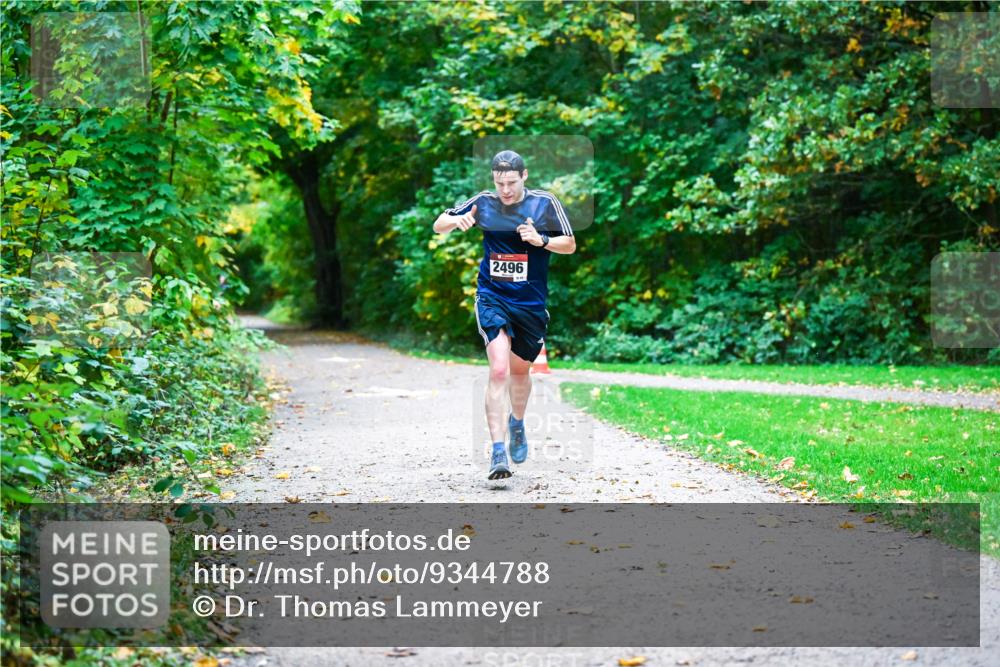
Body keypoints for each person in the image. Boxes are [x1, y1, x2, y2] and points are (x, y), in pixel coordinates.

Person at [432, 150, 577, 480]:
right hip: (492, 296)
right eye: (500, 184)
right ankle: (498, 451)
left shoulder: (545, 204)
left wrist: (541, 240)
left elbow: (569, 244)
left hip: (530, 304)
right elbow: (438, 224)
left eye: (511, 183)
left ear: (524, 176)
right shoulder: (484, 202)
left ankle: (517, 423)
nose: (506, 190)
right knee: (499, 370)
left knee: (519, 373)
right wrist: (456, 221)